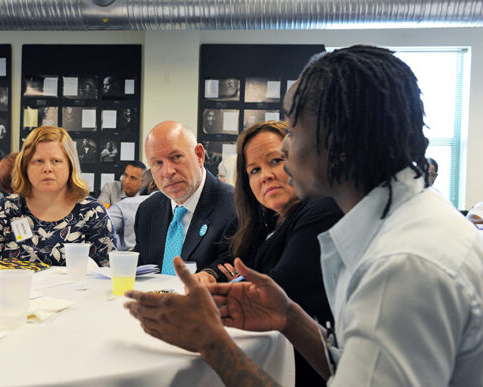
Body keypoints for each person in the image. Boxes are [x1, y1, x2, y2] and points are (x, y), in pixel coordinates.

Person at [125, 45, 483, 386]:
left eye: (293, 127)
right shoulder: (407, 222)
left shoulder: (401, 265)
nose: (283, 145)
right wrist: (290, 317)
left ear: (340, 136)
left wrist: (212, 342)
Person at [194, 121, 342, 386]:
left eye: (275, 160)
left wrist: (235, 282)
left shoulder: (323, 210)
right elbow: (230, 259)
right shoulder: (263, 222)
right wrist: (212, 273)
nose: (265, 176)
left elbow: (279, 289)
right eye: (254, 170)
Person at [0, 126, 114, 267]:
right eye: (38, 161)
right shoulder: (5, 210)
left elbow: (108, 273)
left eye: (56, 161)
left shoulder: (93, 212)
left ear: (70, 165)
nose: (47, 168)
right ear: (25, 166)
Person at [134, 121, 237, 273]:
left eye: (176, 157)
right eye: (157, 163)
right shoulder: (147, 210)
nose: (168, 172)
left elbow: (231, 267)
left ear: (199, 155)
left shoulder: (235, 206)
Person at [108, 169, 159, 251]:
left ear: (152, 184)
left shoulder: (125, 205)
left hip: (130, 261)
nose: (139, 187)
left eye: (142, 181)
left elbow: (101, 231)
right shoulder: (180, 207)